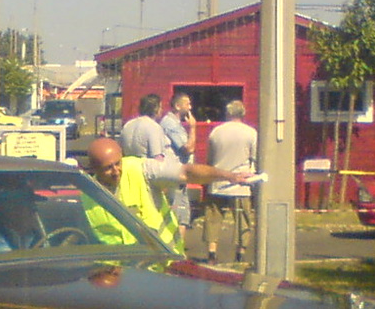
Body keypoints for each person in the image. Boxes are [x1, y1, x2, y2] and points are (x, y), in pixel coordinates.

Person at [81, 136, 256, 256]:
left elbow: (186, 173)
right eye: (108, 168)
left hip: (165, 262)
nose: (116, 171)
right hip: (122, 275)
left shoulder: (140, 169)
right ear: (94, 169)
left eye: (118, 163)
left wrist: (230, 176)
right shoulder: (87, 197)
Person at [203, 100, 259, 263]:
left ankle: (212, 251)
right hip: (241, 183)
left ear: (227, 113)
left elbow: (210, 158)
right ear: (243, 114)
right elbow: (254, 157)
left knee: (213, 217)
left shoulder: (216, 132)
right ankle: (240, 252)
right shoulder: (251, 133)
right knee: (243, 218)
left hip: (218, 179)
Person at [158, 92, 195, 228]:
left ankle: (178, 248)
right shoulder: (171, 124)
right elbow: (188, 148)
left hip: (179, 176)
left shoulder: (174, 123)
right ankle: (173, 248)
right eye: (187, 104)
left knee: (182, 217)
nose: (190, 107)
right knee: (177, 217)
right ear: (178, 106)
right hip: (175, 174)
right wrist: (193, 128)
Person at [0, 188, 45, 252]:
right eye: (27, 206)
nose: (33, 212)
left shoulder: (33, 236)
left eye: (33, 207)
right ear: (6, 209)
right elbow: (14, 267)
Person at [118, 93, 169, 160]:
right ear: (155, 109)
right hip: (145, 168)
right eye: (160, 107)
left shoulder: (128, 125)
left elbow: (121, 151)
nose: (162, 110)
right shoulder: (153, 127)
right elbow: (157, 158)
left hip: (128, 167)